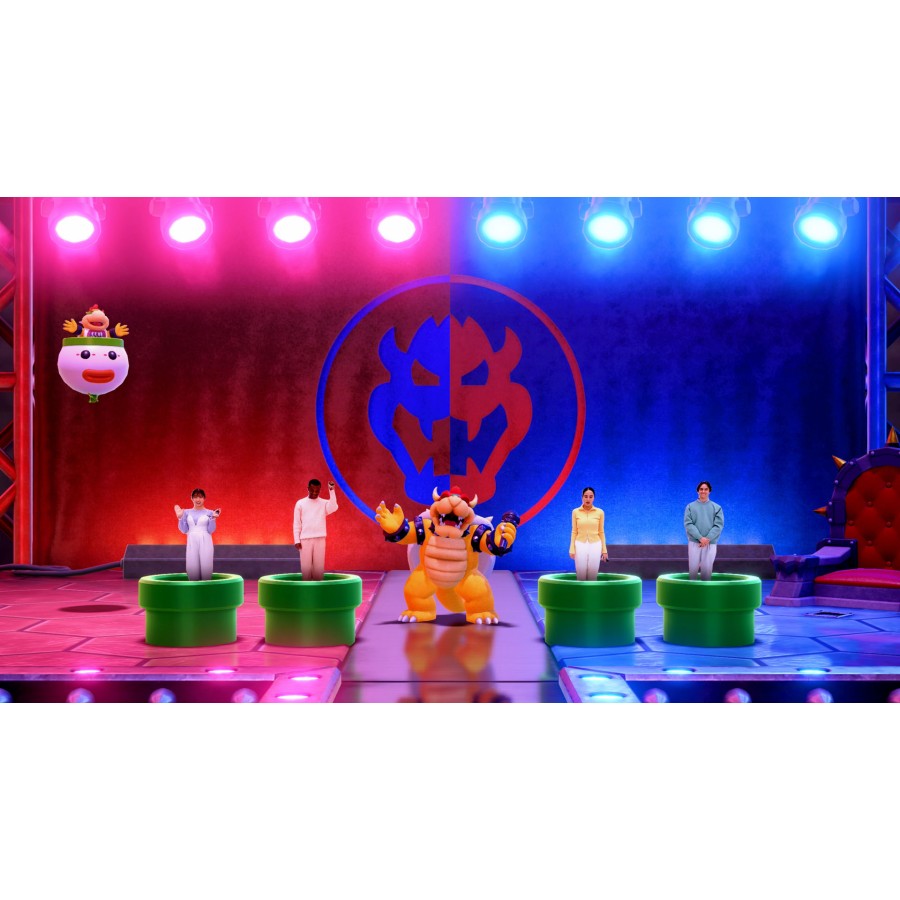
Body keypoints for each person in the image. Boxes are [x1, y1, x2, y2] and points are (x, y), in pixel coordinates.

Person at [293, 478, 338, 581]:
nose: (314, 493)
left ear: (320, 490)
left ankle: (318, 588)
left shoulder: (323, 503)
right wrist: (296, 540)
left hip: (320, 538)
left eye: (317, 491)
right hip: (305, 539)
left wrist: (331, 490)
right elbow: (297, 523)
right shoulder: (300, 503)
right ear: (308, 488)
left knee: (319, 568)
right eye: (312, 490)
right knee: (306, 568)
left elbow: (334, 506)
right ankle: (306, 588)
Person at [174, 488, 220, 581]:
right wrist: (180, 518)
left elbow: (211, 530)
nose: (198, 499)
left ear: (204, 498)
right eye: (195, 497)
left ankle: (206, 587)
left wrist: (213, 519)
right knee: (192, 566)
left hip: (206, 540)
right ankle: (193, 587)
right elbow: (184, 530)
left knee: (206, 565)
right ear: (191, 498)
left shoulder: (210, 512)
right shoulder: (186, 512)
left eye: (200, 497)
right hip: (191, 540)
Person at [684, 481, 724, 580]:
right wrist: (700, 538)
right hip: (695, 542)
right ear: (697, 491)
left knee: (707, 571)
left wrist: (707, 539)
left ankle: (705, 589)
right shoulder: (690, 507)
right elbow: (688, 524)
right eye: (701, 489)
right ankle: (692, 589)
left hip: (710, 543)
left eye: (706, 489)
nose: (703, 491)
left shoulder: (717, 507)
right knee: (693, 570)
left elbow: (718, 525)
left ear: (709, 491)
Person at [569, 486, 608, 581]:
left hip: (595, 544)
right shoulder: (575, 512)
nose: (588, 499)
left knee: (593, 574)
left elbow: (601, 532)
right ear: (582, 497)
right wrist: (572, 548)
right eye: (585, 496)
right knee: (581, 573)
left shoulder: (600, 512)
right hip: (580, 544)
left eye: (591, 497)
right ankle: (580, 590)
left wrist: (604, 550)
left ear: (594, 498)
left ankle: (592, 590)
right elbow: (574, 531)